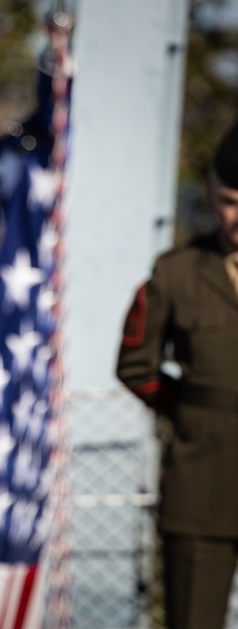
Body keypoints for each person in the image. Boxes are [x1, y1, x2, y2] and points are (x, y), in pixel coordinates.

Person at [116, 119, 238, 629]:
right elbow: (135, 365)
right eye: (231, 200)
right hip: (201, 481)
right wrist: (191, 412)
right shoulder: (177, 272)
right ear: (210, 191)